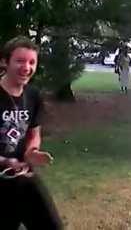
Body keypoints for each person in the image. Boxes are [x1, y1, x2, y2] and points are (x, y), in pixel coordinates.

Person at [0, 36, 63, 229]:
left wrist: (31, 152)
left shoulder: (33, 95)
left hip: (22, 177)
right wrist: (4, 161)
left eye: (31, 62)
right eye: (20, 61)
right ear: (4, 62)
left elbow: (34, 133)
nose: (26, 67)